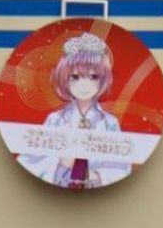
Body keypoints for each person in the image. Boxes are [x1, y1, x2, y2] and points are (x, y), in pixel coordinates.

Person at [37, 31, 122, 189]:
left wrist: (96, 176)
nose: (84, 85)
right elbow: (34, 161)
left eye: (93, 77)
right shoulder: (55, 120)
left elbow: (120, 166)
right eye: (75, 77)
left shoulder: (110, 123)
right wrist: (60, 162)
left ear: (103, 79)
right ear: (64, 79)